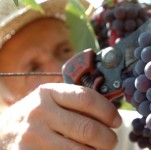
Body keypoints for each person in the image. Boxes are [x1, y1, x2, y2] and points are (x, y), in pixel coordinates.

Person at [0, 0, 123, 149]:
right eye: (33, 68)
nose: (59, 70)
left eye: (64, 50)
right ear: (10, 101)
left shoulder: (142, 134)